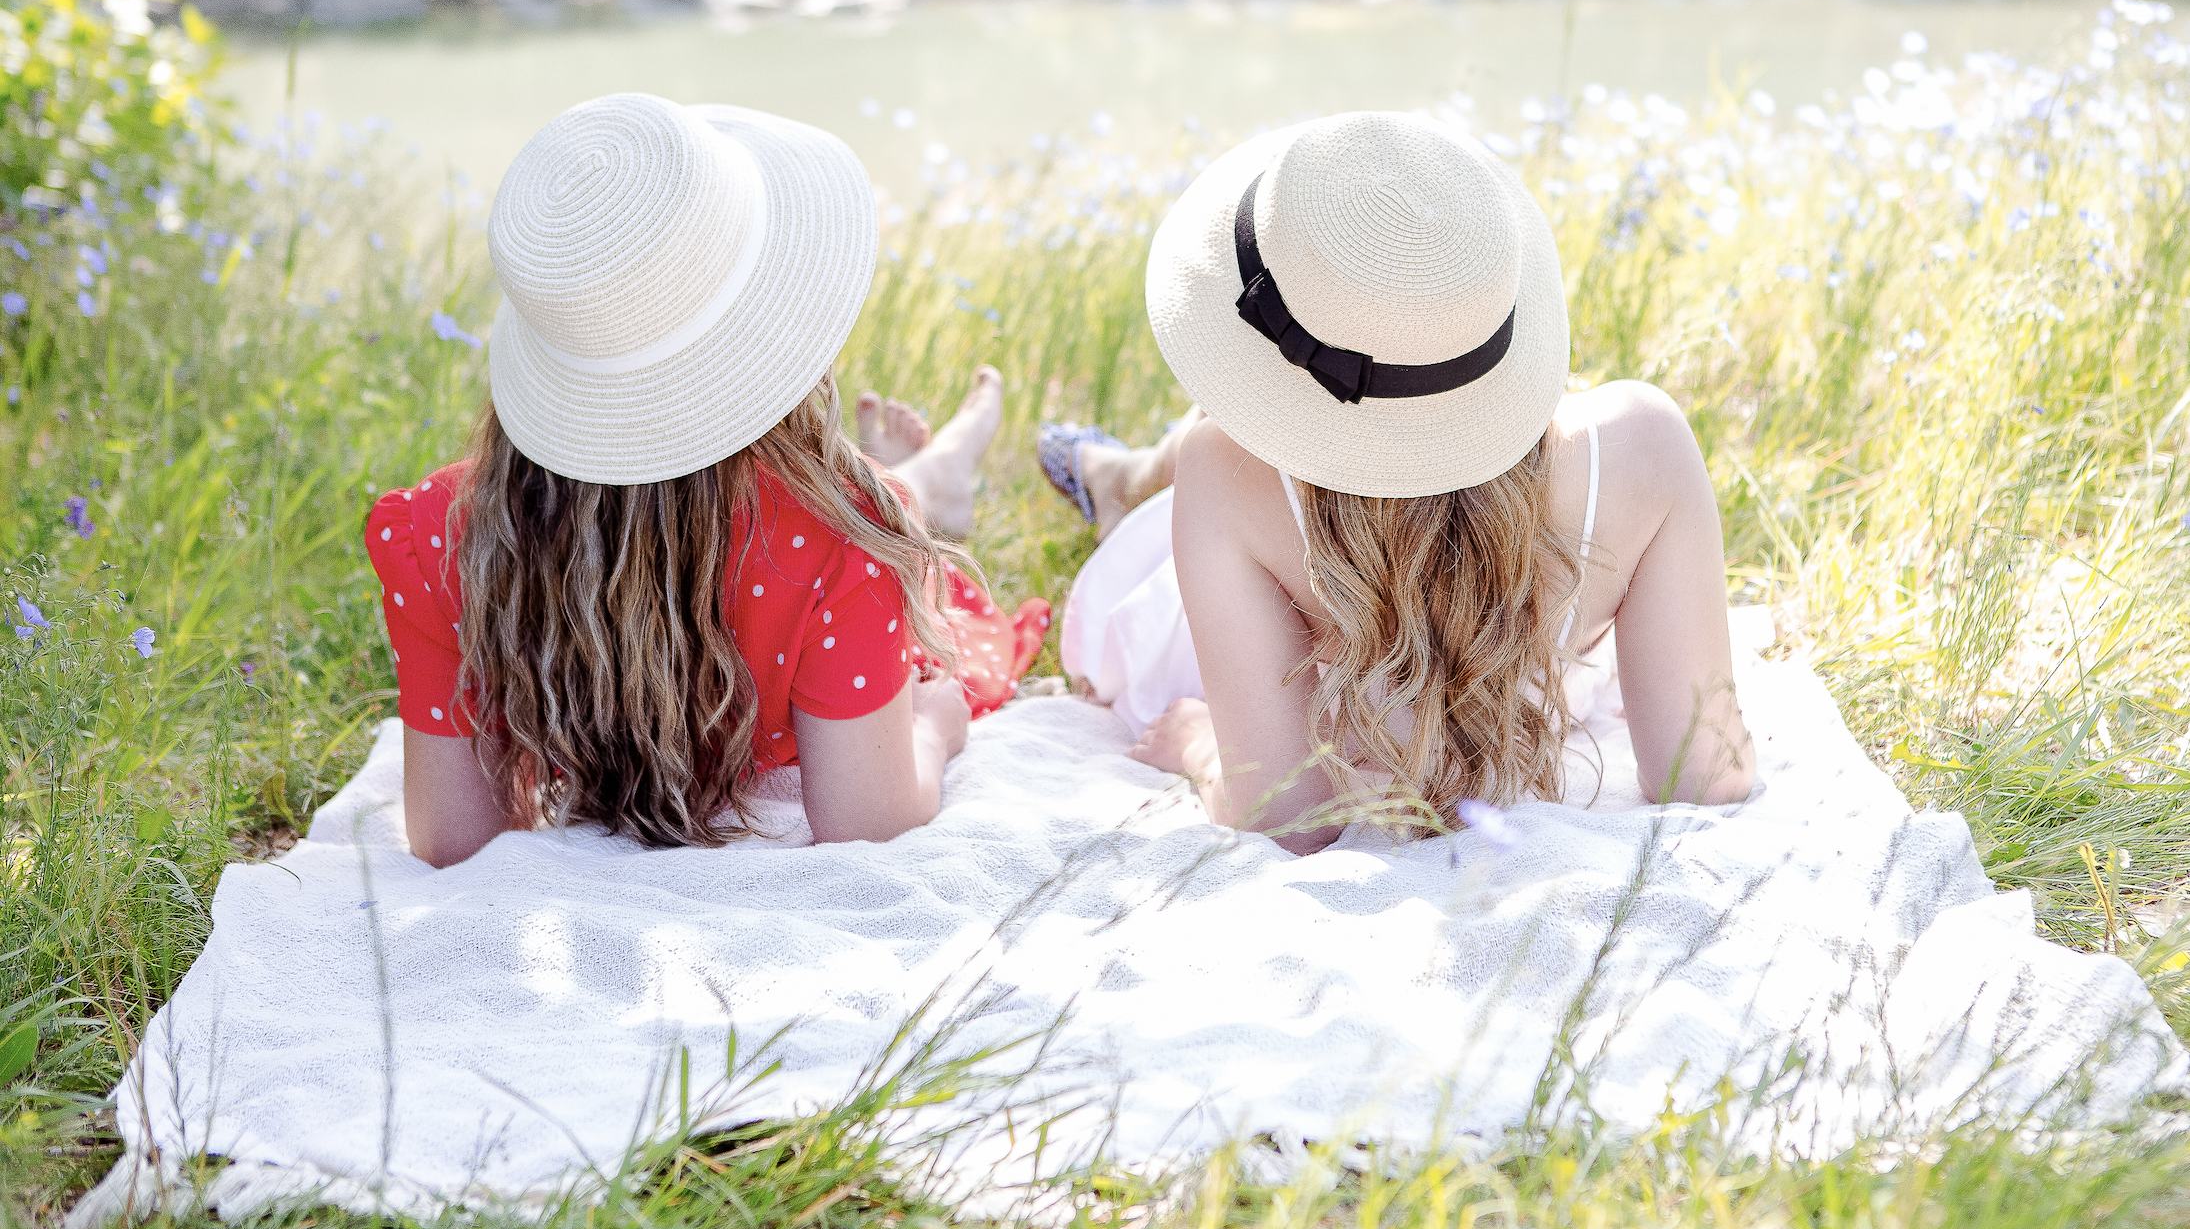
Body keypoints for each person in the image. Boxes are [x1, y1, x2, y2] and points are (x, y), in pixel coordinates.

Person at [1042, 112, 1755, 854]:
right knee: (1214, 449)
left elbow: (1288, 818)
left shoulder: (1224, 472)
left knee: (1199, 463)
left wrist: (1197, 744)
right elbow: (1708, 776)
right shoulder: (1645, 445)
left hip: (1246, 600)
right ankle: (1123, 475)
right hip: (1336, 572)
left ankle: (1118, 480)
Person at [367, 93, 1048, 869]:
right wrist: (935, 726)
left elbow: (456, 841)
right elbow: (870, 822)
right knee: (902, 554)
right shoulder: (838, 539)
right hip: (848, 548)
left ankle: (933, 480)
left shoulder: (435, 535)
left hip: (843, 535)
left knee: (884, 521)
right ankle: (933, 483)